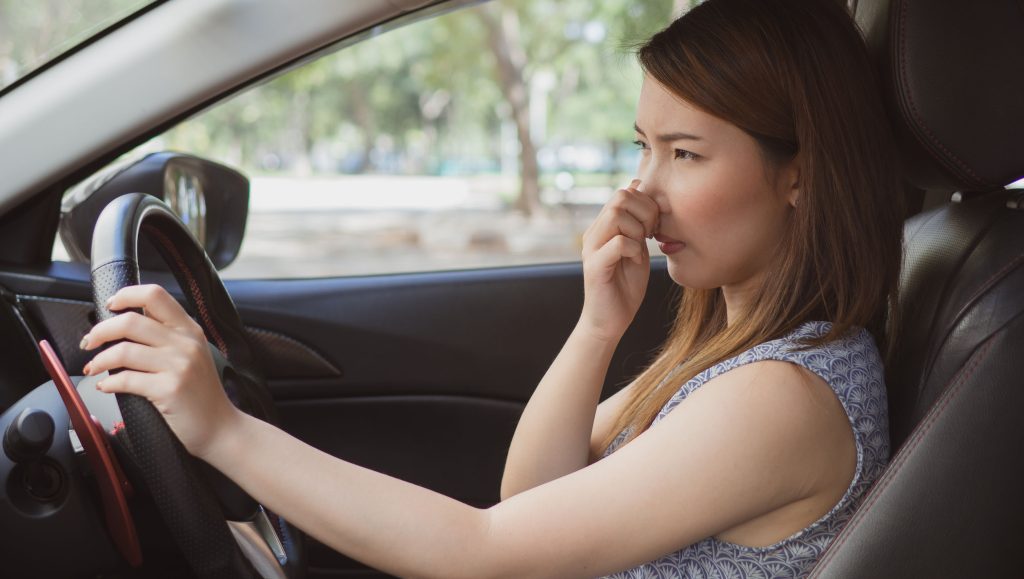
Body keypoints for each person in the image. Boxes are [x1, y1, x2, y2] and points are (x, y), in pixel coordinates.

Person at [78, 0, 904, 576]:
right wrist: (595, 329)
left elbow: (483, 550)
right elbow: (533, 494)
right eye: (642, 145)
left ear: (798, 175)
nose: (641, 192)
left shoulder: (782, 397)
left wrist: (224, 431)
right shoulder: (734, 353)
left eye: (684, 154)